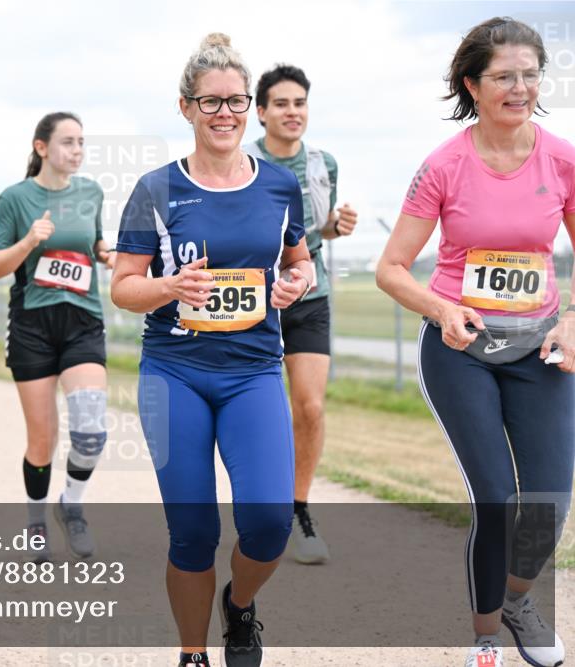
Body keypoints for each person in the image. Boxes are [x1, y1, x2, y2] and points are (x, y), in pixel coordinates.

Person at [376, 17, 574, 667]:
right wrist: (441, 306)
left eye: (529, 74)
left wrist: (571, 320)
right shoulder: (444, 166)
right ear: (473, 84)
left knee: (548, 497)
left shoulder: (562, 159)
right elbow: (392, 267)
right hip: (461, 349)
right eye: (504, 76)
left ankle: (519, 600)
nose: (520, 87)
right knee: (496, 495)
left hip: (539, 348)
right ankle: (486, 633)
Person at [111, 33, 314, 667]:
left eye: (236, 101)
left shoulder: (280, 187)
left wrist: (294, 283)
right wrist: (169, 286)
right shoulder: (155, 189)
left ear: (249, 108)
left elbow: (300, 261)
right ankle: (193, 653)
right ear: (185, 108)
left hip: (253, 372)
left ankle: (241, 605)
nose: (224, 114)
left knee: (268, 523)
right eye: (210, 102)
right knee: (193, 532)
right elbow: (122, 287)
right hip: (175, 372)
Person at [0, 111, 116, 563]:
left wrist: (105, 253)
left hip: (82, 321)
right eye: (67, 142)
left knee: (91, 430)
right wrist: (27, 242)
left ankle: (72, 505)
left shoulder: (91, 192)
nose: (76, 151)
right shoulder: (15, 199)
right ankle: (36, 520)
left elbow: (94, 242)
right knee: (42, 440)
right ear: (42, 148)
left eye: (81, 142)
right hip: (32, 327)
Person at [243, 64, 359, 564]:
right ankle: (259, 508)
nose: (293, 112)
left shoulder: (323, 163)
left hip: (309, 296)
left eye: (300, 103)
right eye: (283, 104)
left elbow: (313, 234)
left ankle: (299, 510)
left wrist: (336, 225)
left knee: (308, 408)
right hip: (253, 300)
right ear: (262, 111)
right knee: (258, 413)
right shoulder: (241, 161)